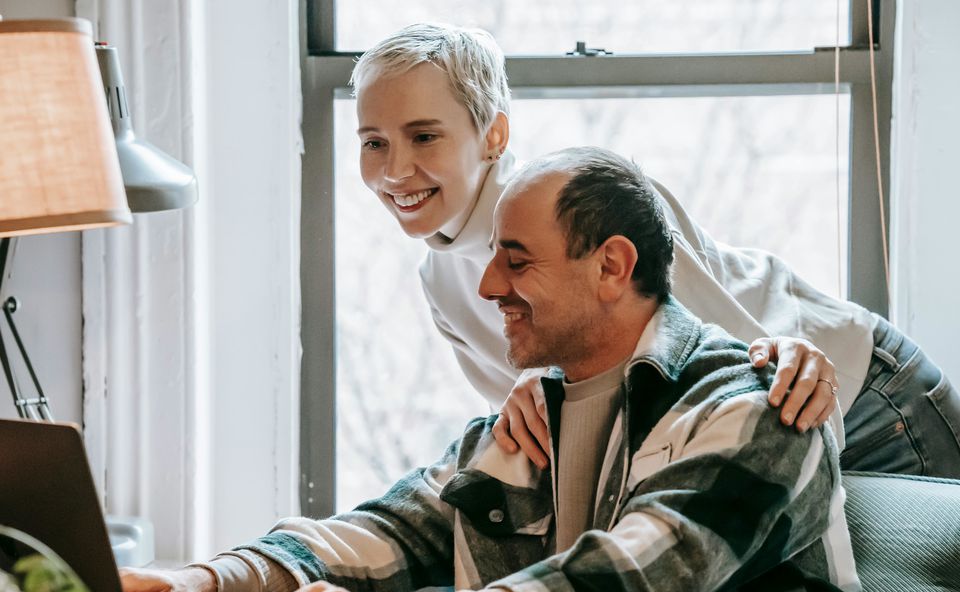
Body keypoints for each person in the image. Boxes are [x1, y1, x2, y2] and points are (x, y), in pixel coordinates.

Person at [123, 148, 888, 592]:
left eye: (516, 261)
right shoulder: (526, 419)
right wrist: (206, 584)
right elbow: (389, 530)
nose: (489, 285)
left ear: (612, 267)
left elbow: (630, 577)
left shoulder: (758, 406)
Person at [352, 22, 960, 477]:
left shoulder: (589, 201)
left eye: (424, 136)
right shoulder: (441, 280)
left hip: (863, 399)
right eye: (374, 142)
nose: (395, 170)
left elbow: (721, 361)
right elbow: (556, 432)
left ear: (495, 135)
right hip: (769, 429)